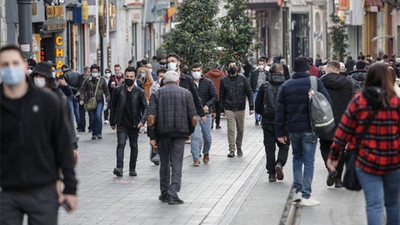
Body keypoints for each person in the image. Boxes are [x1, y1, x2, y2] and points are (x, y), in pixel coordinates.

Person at [0, 44, 78, 224]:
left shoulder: (48, 101)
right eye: (5, 65)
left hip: (42, 188)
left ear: (25, 66)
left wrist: (70, 188)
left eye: (15, 63)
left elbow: (63, 146)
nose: (10, 68)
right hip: (5, 191)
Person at [328, 63, 400, 225]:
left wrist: (334, 155)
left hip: (366, 160)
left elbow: (343, 131)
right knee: (394, 204)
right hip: (394, 161)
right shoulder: (395, 102)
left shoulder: (359, 101)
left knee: (374, 205)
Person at [275, 56, 331, 206]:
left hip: (293, 129)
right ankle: (306, 195)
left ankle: (298, 192)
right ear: (307, 67)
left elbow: (280, 112)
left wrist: (280, 133)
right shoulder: (314, 82)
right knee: (309, 161)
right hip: (310, 129)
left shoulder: (286, 86)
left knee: (297, 158)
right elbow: (327, 102)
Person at [147, 71, 197, 205]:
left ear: (164, 81)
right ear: (177, 81)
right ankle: (173, 191)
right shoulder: (186, 93)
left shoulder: (156, 94)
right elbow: (193, 117)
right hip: (180, 133)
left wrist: (152, 136)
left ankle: (164, 192)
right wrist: (189, 132)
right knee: (176, 162)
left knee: (164, 162)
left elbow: (151, 118)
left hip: (163, 133)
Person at [319, 60, 354, 188]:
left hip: (325, 120)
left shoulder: (321, 82)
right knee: (341, 149)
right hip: (342, 121)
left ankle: (330, 168)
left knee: (324, 145)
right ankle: (338, 179)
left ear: (328, 69)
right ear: (339, 69)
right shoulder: (347, 83)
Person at [110, 67, 147, 177]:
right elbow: (113, 106)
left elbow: (145, 107)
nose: (129, 78)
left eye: (131, 77)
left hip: (135, 123)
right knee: (121, 144)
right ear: (124, 76)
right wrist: (112, 121)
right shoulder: (118, 90)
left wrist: (142, 121)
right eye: (127, 76)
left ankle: (132, 168)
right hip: (121, 122)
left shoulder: (140, 92)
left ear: (135, 77)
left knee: (134, 145)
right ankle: (119, 167)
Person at [255, 64, 289, 182]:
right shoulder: (286, 86)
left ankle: (271, 173)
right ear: (282, 73)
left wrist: (263, 113)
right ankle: (279, 163)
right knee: (284, 145)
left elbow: (257, 106)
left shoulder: (264, 86)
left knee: (270, 149)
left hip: (267, 122)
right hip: (283, 123)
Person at [220, 60, 254, 158]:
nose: (232, 67)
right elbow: (221, 96)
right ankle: (231, 150)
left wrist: (251, 107)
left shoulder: (242, 79)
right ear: (227, 68)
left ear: (237, 67)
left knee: (241, 130)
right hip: (229, 107)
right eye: (230, 66)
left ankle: (238, 146)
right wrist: (222, 110)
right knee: (231, 129)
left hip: (240, 108)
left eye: (234, 66)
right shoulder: (224, 80)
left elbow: (249, 92)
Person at [190, 63, 217, 166]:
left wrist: (207, 105)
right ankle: (196, 158)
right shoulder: (189, 83)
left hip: (206, 114)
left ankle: (206, 152)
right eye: (194, 70)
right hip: (193, 114)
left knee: (207, 137)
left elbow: (214, 96)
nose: (196, 72)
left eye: (198, 70)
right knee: (194, 136)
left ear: (201, 71)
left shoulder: (208, 82)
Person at [166, 53, 205, 122]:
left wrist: (202, 114)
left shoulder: (188, 79)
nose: (170, 63)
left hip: (185, 114)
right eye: (168, 62)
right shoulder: (165, 80)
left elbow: (195, 96)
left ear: (178, 62)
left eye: (172, 61)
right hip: (169, 114)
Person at [79, 64, 110, 140]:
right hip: (90, 101)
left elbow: (106, 90)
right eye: (93, 71)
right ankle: (94, 133)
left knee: (98, 115)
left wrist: (107, 99)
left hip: (99, 100)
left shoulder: (102, 79)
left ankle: (99, 132)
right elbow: (82, 90)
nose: (94, 73)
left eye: (96, 71)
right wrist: (81, 99)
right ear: (91, 72)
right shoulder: (87, 80)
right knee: (92, 118)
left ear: (98, 72)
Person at [205, 64, 225, 129]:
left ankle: (211, 124)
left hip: (211, 95)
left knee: (211, 110)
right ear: (217, 67)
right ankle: (217, 124)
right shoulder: (222, 75)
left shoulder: (207, 75)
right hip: (219, 95)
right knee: (218, 110)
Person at [250, 57, 268, 126]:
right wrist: (251, 90)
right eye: (260, 64)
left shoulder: (267, 73)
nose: (261, 65)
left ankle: (261, 118)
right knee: (256, 104)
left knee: (263, 104)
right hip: (256, 91)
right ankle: (256, 119)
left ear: (264, 64)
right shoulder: (254, 72)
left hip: (264, 90)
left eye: (262, 64)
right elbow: (251, 82)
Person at [77, 66, 90, 132]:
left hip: (90, 97)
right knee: (81, 112)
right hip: (81, 97)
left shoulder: (92, 78)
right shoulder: (80, 77)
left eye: (88, 72)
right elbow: (79, 86)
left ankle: (91, 127)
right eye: (85, 71)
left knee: (91, 113)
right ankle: (81, 127)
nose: (87, 73)